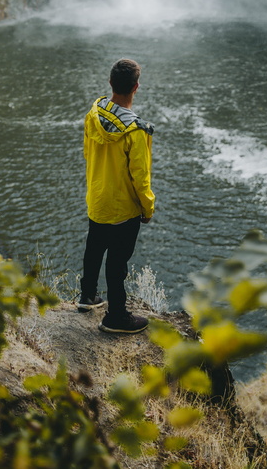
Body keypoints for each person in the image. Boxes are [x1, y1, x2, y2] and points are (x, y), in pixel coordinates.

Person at [78, 57, 155, 334]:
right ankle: (116, 317)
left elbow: (88, 153)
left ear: (111, 83)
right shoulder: (136, 131)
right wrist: (147, 208)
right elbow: (140, 177)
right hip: (123, 208)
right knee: (117, 262)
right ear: (136, 87)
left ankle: (87, 297)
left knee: (94, 248)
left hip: (97, 198)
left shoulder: (94, 113)